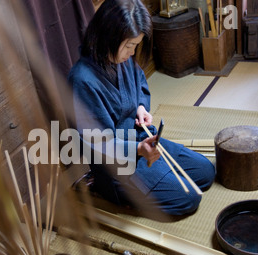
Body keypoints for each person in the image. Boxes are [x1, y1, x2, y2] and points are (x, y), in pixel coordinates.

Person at [68, 0, 215, 215]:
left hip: (141, 139)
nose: (132, 52)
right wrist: (137, 150)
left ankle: (156, 174)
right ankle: (102, 188)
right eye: (129, 45)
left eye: (136, 45)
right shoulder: (82, 80)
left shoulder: (122, 59)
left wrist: (140, 108)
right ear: (107, 35)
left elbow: (139, 86)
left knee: (205, 172)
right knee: (187, 199)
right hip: (117, 163)